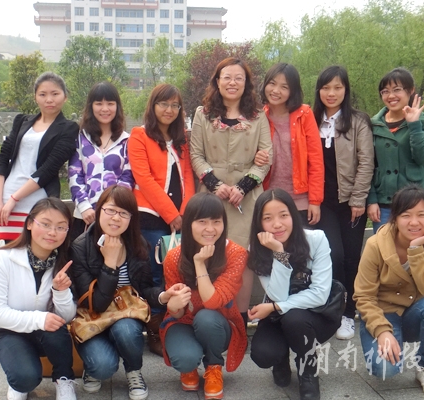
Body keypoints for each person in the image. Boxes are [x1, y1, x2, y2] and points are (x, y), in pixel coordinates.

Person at [69, 185, 189, 400]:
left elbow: (144, 289)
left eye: (124, 213)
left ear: (131, 218)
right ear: (99, 210)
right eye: (110, 210)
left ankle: (133, 369)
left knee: (126, 331)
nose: (116, 218)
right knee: (103, 367)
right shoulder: (80, 246)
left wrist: (164, 296)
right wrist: (110, 264)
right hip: (93, 318)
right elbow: (96, 304)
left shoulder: (137, 244)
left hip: (126, 315)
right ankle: (97, 363)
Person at [190, 57, 273, 325]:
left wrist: (243, 186)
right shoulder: (203, 114)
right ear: (217, 81)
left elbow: (266, 157)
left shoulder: (258, 116)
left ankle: (239, 319)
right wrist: (215, 184)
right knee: (209, 253)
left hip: (246, 199)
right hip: (210, 195)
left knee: (242, 258)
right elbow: (196, 155)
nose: (232, 83)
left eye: (239, 78)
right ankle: (210, 318)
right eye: (227, 77)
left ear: (246, 83)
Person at [354, 185, 424, 399]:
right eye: (406, 215)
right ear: (394, 217)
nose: (414, 222)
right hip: (383, 313)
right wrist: (382, 331)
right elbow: (364, 295)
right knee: (384, 369)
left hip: (416, 313)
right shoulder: (376, 244)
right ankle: (389, 339)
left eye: (422, 215)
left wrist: (417, 250)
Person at [247, 189, 338, 400]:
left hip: (316, 315)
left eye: (283, 215)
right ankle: (281, 359)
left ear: (293, 216)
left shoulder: (316, 239)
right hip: (277, 316)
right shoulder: (258, 248)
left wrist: (275, 307)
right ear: (259, 223)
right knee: (263, 354)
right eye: (268, 218)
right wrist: (279, 252)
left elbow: (320, 294)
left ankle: (308, 372)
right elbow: (277, 295)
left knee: (295, 319)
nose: (277, 224)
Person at [0, 198, 77, 400]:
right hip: (8, 331)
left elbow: (67, 317)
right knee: (25, 378)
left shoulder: (63, 263)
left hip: (46, 333)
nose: (52, 232)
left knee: (57, 330)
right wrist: (39, 319)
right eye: (45, 224)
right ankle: (18, 380)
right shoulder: (3, 259)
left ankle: (64, 379)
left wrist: (60, 292)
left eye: (60, 227)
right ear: (29, 224)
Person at [127, 83, 195, 355]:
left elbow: (188, 176)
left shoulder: (182, 139)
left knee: (178, 271)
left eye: (175, 105)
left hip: (180, 219)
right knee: (157, 273)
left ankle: (175, 325)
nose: (169, 110)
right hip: (151, 217)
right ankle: (155, 328)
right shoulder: (139, 135)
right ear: (153, 106)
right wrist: (171, 215)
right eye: (163, 104)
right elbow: (144, 179)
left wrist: (185, 213)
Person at [160, 193, 248, 400]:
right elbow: (177, 312)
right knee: (185, 359)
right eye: (202, 222)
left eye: (216, 222)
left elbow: (212, 302)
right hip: (183, 321)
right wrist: (173, 305)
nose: (210, 229)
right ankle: (189, 367)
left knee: (206, 318)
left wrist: (199, 263)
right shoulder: (174, 257)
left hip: (218, 323)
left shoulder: (235, 254)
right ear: (189, 223)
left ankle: (214, 367)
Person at [311, 65, 374, 340]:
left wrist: (359, 199)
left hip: (351, 202)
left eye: (338, 87)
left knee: (351, 257)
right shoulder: (311, 119)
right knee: (331, 255)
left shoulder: (358, 121)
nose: (331, 93)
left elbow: (366, 162)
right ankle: (332, 309)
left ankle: (349, 313)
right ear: (318, 91)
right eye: (326, 87)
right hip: (321, 202)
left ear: (346, 90)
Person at [0, 72, 79, 242]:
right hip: (7, 201)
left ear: (65, 97)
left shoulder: (69, 128)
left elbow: (48, 169)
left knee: (38, 252)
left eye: (55, 94)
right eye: (43, 94)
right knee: (10, 253)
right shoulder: (21, 121)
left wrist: (14, 199)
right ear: (35, 97)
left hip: (39, 201)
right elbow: (2, 161)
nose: (49, 99)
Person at [366, 68, 424, 233]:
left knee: (416, 246)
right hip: (384, 203)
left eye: (397, 90)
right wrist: (371, 200)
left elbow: (423, 157)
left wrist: (414, 125)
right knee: (385, 246)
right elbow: (367, 165)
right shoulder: (373, 124)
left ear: (410, 91)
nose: (391, 96)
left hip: (416, 202)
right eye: (385, 91)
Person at [68, 81, 134, 242]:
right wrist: (84, 207)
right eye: (99, 103)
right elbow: (75, 175)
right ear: (91, 106)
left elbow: (128, 178)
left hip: (116, 219)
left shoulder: (127, 141)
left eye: (110, 103)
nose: (105, 109)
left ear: (117, 106)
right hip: (85, 217)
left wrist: (113, 209)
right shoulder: (80, 138)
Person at [261, 62, 324, 226]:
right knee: (273, 242)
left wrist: (315, 201)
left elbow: (316, 161)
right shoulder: (259, 116)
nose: (276, 91)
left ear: (292, 91)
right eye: (272, 83)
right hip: (268, 197)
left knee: (300, 242)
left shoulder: (304, 114)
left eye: (284, 87)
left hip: (300, 200)